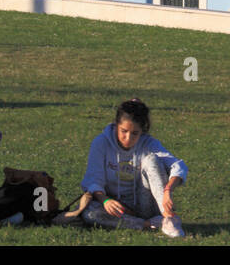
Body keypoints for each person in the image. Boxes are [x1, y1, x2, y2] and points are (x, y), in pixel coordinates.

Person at [63, 98, 187, 237]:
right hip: (116, 206)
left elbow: (177, 166)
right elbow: (94, 179)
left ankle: (169, 219)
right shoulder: (101, 143)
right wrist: (105, 200)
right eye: (124, 131)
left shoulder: (148, 143)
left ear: (142, 131)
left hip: (145, 203)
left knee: (152, 160)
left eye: (135, 133)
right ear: (116, 125)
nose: (128, 138)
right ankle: (146, 224)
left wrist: (168, 190)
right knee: (89, 213)